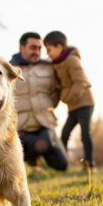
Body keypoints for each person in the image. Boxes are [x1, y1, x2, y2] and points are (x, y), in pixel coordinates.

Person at [10, 32, 68, 171]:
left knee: (62, 164)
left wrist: (46, 107)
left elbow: (56, 92)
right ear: (22, 48)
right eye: (32, 48)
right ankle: (32, 157)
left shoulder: (49, 67)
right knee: (38, 144)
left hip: (45, 124)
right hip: (20, 128)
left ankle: (33, 156)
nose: (36, 52)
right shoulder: (9, 69)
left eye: (39, 48)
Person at [43, 31, 96, 171]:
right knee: (65, 134)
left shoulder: (72, 60)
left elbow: (81, 81)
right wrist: (52, 105)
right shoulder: (56, 64)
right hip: (72, 107)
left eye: (49, 50)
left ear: (59, 47)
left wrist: (66, 97)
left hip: (85, 102)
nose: (47, 54)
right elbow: (58, 87)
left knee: (85, 134)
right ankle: (63, 164)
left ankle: (90, 164)